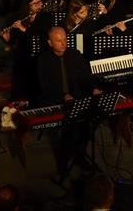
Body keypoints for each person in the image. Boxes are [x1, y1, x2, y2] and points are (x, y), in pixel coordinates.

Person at [35, 26, 100, 178]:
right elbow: (44, 87)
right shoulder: (43, 60)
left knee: (87, 124)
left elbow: (86, 77)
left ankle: (79, 155)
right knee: (71, 128)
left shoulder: (75, 55)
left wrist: (94, 88)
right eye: (58, 41)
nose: (63, 44)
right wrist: (62, 95)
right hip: (55, 100)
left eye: (65, 39)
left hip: (76, 99)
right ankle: (64, 163)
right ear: (50, 43)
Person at [3, 0, 53, 100]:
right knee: (19, 75)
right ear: (28, 6)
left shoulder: (46, 17)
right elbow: (14, 40)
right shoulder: (21, 17)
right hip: (23, 57)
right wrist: (8, 38)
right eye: (35, 4)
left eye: (39, 2)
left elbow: (42, 36)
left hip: (39, 57)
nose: (39, 5)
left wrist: (24, 29)